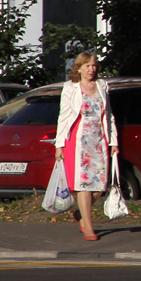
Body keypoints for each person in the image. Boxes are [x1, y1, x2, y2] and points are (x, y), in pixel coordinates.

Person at [54, 52, 118, 241]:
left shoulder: (102, 85)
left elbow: (109, 114)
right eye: (88, 66)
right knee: (84, 184)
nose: (92, 70)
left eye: (94, 66)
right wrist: (59, 144)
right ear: (79, 68)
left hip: (99, 140)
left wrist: (113, 140)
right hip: (78, 140)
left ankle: (81, 214)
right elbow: (63, 116)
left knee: (99, 186)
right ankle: (89, 227)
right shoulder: (71, 88)